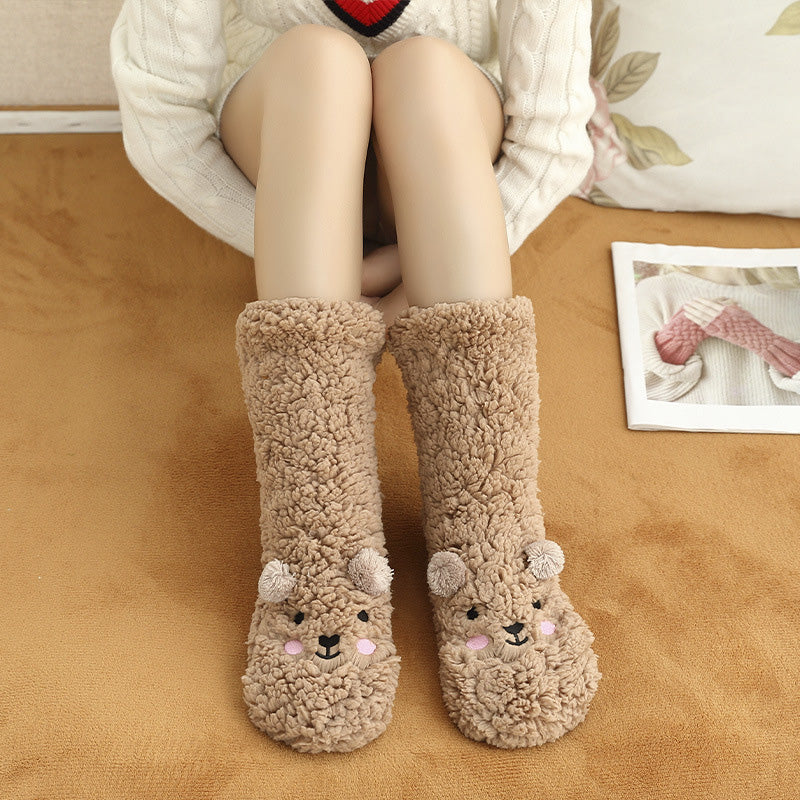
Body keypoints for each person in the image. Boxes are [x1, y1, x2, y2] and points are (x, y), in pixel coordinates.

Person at [109, 0, 601, 753]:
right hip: (281, 158)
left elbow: (551, 134)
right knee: (319, 60)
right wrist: (307, 249)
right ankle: (317, 536)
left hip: (446, 169)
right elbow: (165, 116)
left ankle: (490, 528)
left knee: (426, 69)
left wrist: (404, 266)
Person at [640, 264, 800, 404]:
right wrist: (682, 332)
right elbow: (642, 390)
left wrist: (761, 339)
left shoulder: (795, 291)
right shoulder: (656, 290)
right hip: (695, 428)